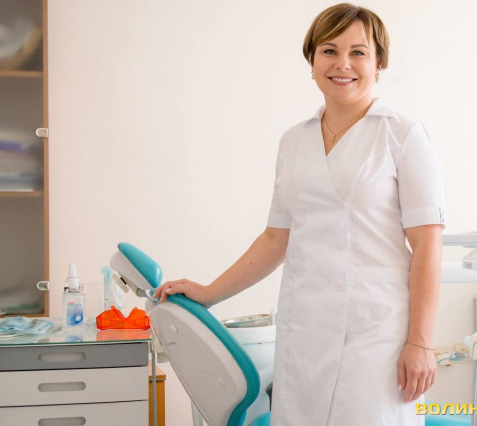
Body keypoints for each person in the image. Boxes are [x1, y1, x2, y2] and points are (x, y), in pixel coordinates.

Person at [154, 3, 445, 425]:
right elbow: (277, 237)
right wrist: (210, 292)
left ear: (379, 63)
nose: (342, 64)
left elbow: (427, 242)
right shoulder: (294, 142)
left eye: (358, 52)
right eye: (329, 51)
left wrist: (421, 342)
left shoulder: (402, 135)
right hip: (304, 331)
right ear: (312, 62)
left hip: (377, 335)